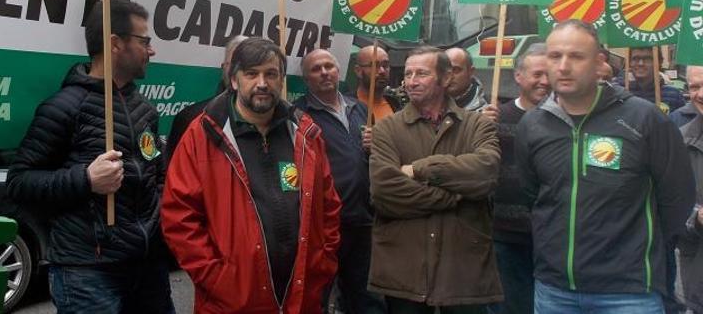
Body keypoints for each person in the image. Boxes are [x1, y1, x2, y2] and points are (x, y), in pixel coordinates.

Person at [6, 0, 174, 313]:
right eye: (145, 41)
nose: (151, 50)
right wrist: (85, 179)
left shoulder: (145, 111)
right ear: (115, 43)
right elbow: (19, 182)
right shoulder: (64, 107)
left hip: (147, 266)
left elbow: (158, 175)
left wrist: (158, 222)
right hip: (87, 271)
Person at [516, 20, 695, 314]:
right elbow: (533, 195)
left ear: (599, 63)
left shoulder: (644, 119)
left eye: (576, 56)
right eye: (555, 56)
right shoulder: (532, 125)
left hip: (629, 293)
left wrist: (638, 253)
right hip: (554, 290)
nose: (562, 66)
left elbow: (677, 198)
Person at [161, 37, 341, 313]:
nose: (262, 83)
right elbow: (179, 216)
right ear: (234, 80)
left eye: (271, 74)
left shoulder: (305, 134)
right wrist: (217, 278)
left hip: (301, 295)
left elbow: (328, 205)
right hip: (231, 301)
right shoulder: (204, 134)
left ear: (282, 80)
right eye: (251, 73)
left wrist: (322, 262)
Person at [368, 45, 502, 313]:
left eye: (422, 73)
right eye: (408, 74)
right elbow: (383, 191)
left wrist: (419, 169)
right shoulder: (386, 129)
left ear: (445, 78)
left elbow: (486, 172)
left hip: (462, 269)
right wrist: (455, 194)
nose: (412, 81)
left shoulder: (478, 125)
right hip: (404, 268)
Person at [294, 49, 387, 314]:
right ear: (306, 78)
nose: (324, 72)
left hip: (364, 219)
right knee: (318, 295)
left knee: (367, 296)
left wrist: (375, 146)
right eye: (316, 69)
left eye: (329, 66)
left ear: (338, 71)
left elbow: (377, 159)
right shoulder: (299, 115)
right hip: (324, 225)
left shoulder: (360, 108)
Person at [489, 43, 550, 314]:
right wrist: (478, 129)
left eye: (548, 74)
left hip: (552, 238)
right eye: (537, 74)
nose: (544, 81)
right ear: (518, 77)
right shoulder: (495, 117)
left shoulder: (565, 120)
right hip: (506, 237)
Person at [165, 35, 247, 162]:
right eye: (234, 63)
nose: (238, 72)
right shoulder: (191, 118)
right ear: (223, 67)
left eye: (246, 65)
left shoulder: (270, 121)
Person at [678, 65, 703, 314]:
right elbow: (669, 208)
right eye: (694, 87)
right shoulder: (680, 142)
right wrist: (695, 218)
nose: (700, 94)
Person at [446, 47, 499, 123]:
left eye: (456, 70)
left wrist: (481, 124)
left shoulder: (489, 106)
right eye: (445, 70)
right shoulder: (428, 101)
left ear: (471, 72)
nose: (450, 76)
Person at [627, 47, 685, 113]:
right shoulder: (622, 93)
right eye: (635, 59)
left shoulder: (674, 95)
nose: (641, 63)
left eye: (647, 59)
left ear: (659, 62)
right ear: (629, 62)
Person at [355, 45, 401, 122]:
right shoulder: (346, 106)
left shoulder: (395, 105)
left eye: (385, 65)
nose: (382, 71)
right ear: (358, 71)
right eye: (374, 65)